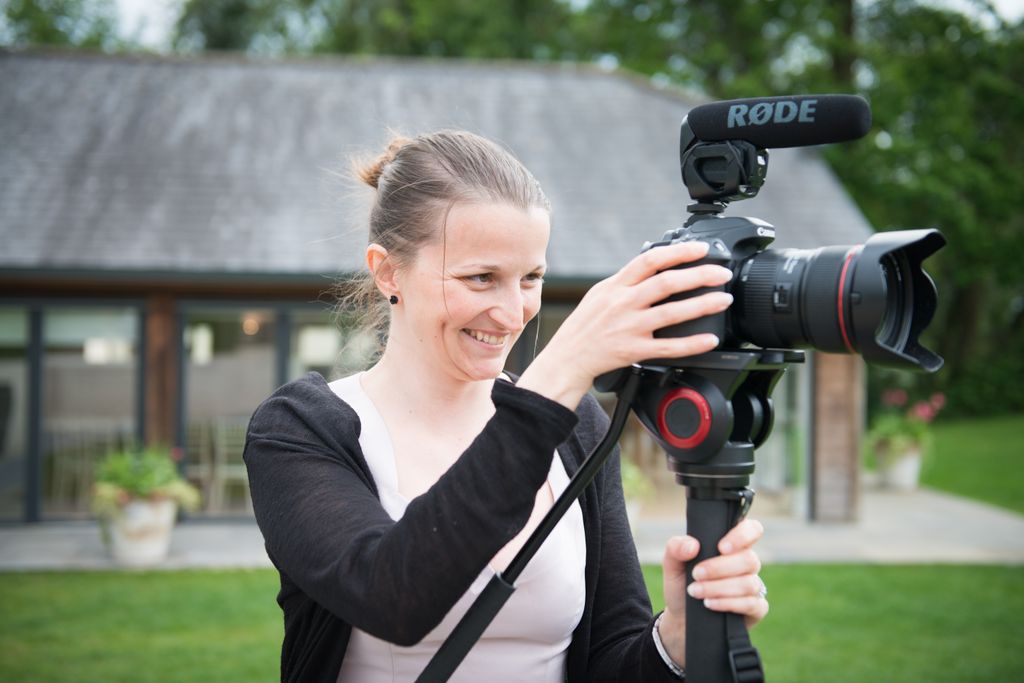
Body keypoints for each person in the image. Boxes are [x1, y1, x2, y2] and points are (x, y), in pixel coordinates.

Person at [244, 130, 768, 683]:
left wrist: (676, 640)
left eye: (531, 278)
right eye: (480, 278)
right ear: (388, 271)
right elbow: (392, 595)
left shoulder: (577, 426)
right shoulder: (300, 430)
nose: (513, 312)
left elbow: (609, 656)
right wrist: (556, 377)